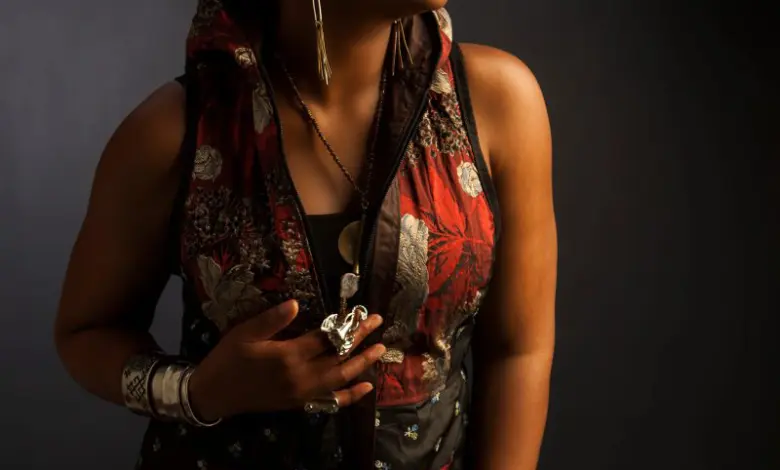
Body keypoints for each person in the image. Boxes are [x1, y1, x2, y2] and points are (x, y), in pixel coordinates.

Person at [54, 0, 557, 468]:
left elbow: (518, 349)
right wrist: (196, 391)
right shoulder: (174, 133)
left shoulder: (495, 102)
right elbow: (85, 332)